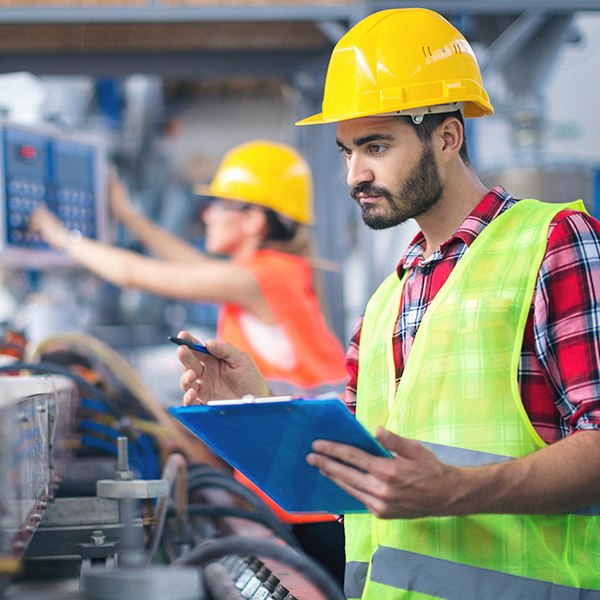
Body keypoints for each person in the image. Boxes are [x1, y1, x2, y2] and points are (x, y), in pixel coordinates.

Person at [176, 8, 600, 600]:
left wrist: (455, 489)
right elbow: (348, 470)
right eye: (348, 150)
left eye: (376, 145)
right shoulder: (390, 296)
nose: (355, 175)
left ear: (447, 137)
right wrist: (254, 406)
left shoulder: (554, 243)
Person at [29, 140, 348, 582]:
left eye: (218, 203)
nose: (205, 214)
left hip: (307, 494)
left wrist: (57, 235)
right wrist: (128, 217)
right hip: (307, 485)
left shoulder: (263, 277)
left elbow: (136, 275)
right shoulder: (271, 273)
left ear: (254, 219)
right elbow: (188, 264)